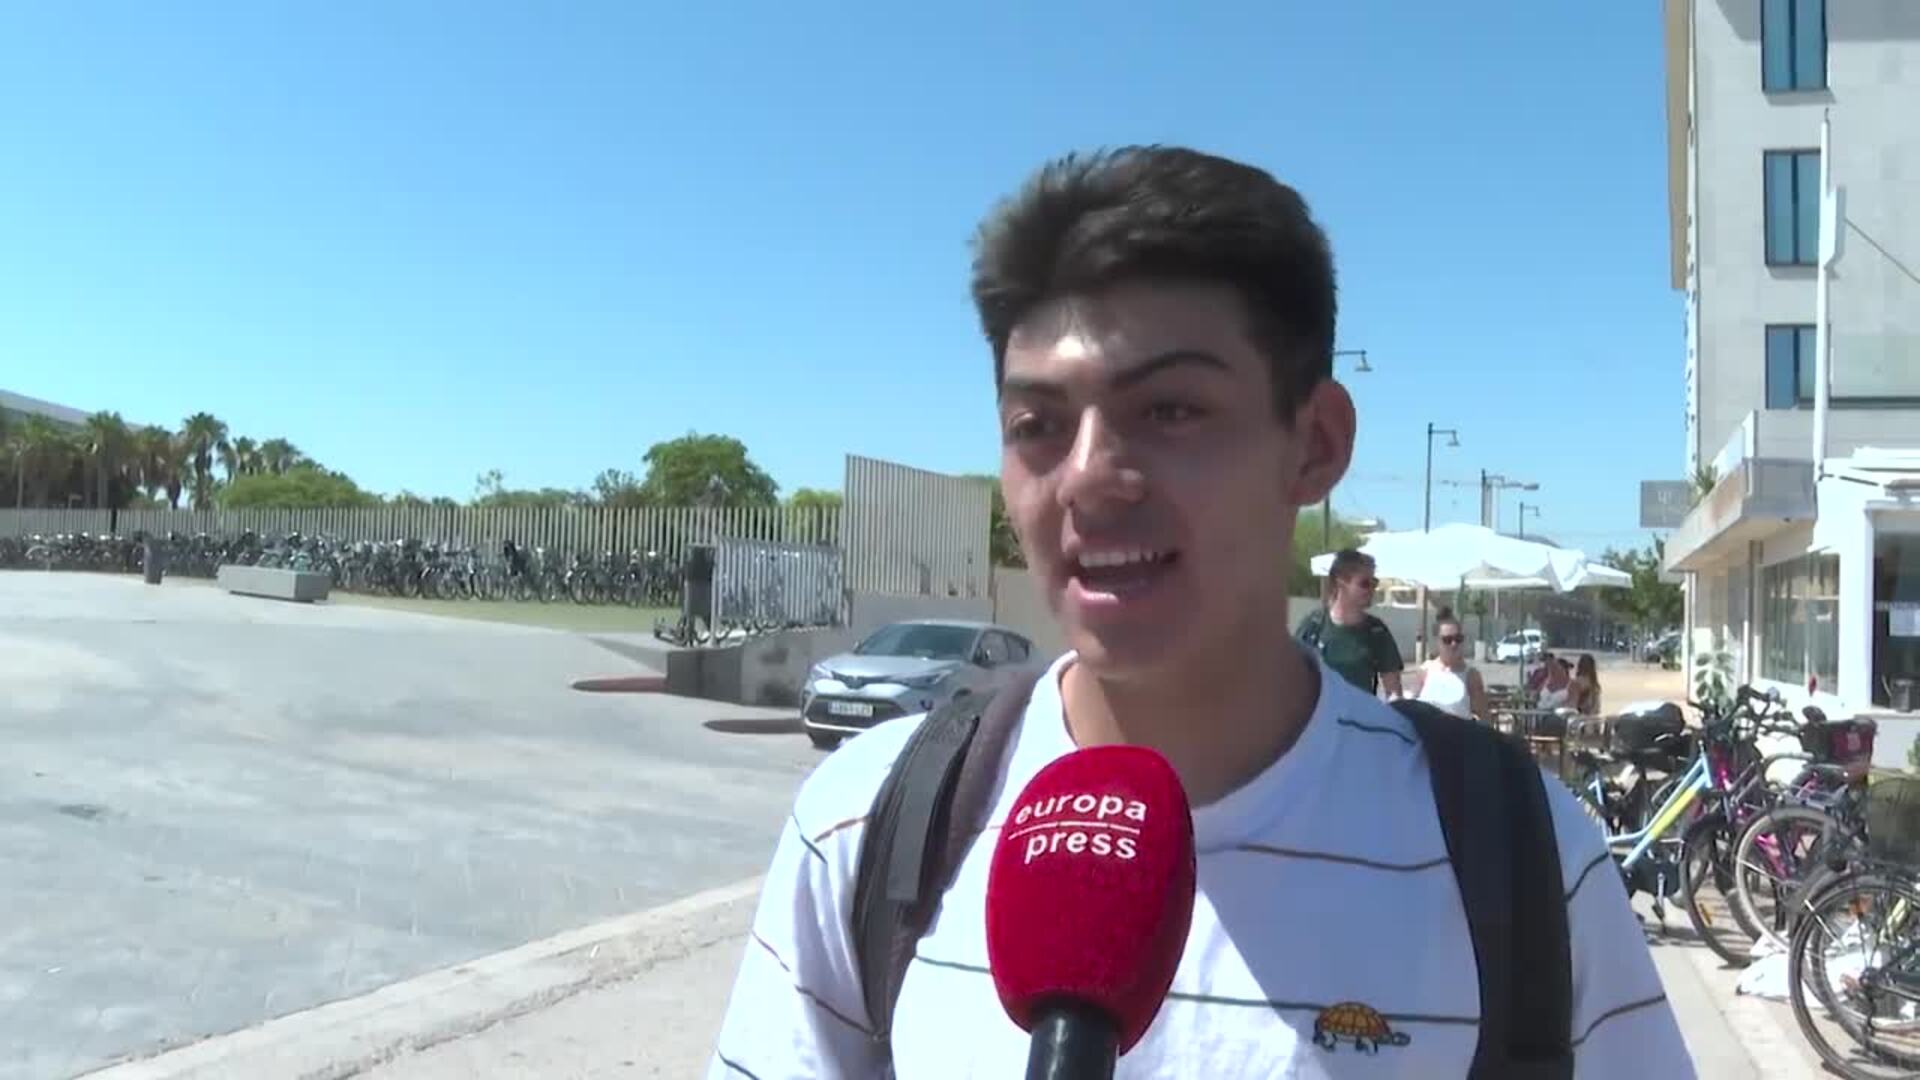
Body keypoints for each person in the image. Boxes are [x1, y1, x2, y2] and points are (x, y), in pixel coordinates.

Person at [706, 146, 1689, 1077]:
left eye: (1170, 410)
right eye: (1036, 425)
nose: (1088, 478)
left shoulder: (1518, 854)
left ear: (1314, 443)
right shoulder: (869, 823)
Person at [1293, 548, 1405, 698]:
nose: (1372, 589)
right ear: (1341, 583)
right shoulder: (1314, 626)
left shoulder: (1376, 631)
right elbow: (1291, 679)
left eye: (1374, 582)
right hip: (1321, 718)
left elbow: (1394, 693)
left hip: (1361, 719)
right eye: (1365, 583)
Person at [1413, 608, 1490, 721]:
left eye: (1458, 639)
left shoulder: (1471, 675)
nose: (1454, 644)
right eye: (1447, 640)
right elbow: (1413, 708)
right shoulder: (1425, 671)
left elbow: (1483, 716)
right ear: (1437, 641)